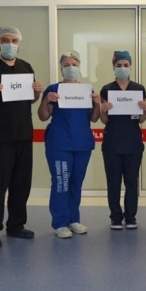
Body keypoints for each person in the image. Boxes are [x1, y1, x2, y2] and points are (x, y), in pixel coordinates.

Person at [0, 26, 44, 248]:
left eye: (14, 40)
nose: (10, 44)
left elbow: (30, 100)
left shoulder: (26, 67)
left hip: (23, 134)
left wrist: (37, 92)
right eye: (5, 40)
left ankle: (16, 225)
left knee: (21, 184)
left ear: (19, 43)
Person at [38, 50, 101, 238]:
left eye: (74, 64)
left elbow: (94, 118)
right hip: (60, 144)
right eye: (66, 65)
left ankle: (74, 219)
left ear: (79, 66)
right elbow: (43, 116)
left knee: (76, 182)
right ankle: (60, 222)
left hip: (82, 144)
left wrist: (97, 104)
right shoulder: (53, 89)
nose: (71, 68)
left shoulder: (87, 90)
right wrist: (46, 101)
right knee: (61, 182)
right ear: (61, 68)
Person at [99, 51, 146, 230]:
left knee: (131, 182)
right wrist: (103, 109)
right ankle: (115, 217)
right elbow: (104, 120)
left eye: (125, 65)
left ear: (130, 66)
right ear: (113, 67)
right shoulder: (107, 89)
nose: (122, 68)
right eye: (118, 65)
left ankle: (130, 217)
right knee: (113, 182)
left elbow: (141, 120)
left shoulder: (139, 89)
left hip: (133, 143)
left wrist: (145, 109)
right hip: (112, 143)